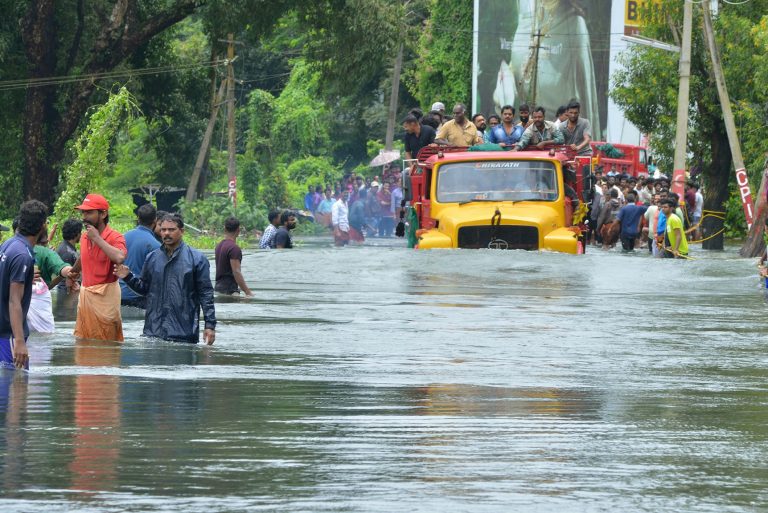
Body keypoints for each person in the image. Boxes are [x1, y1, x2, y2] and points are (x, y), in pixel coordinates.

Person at [115, 213, 216, 344]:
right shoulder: (152, 258)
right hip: (153, 332)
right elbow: (145, 289)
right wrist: (128, 277)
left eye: (171, 229)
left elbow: (206, 294)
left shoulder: (197, 259)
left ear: (182, 231)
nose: (166, 233)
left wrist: (210, 325)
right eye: (163, 230)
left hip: (183, 333)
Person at [70, 194, 126, 342]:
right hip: (86, 298)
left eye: (89, 212)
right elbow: (84, 256)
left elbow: (120, 257)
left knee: (106, 345)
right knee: (83, 343)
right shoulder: (84, 237)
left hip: (106, 301)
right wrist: (73, 272)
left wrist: (97, 238)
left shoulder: (115, 236)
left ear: (103, 214)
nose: (84, 217)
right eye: (83, 212)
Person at [0, 200, 48, 370]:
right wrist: (19, 341)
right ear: (43, 226)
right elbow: (14, 301)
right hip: (9, 333)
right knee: (16, 386)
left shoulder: (9, 244)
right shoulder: (22, 255)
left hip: (4, 331)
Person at [29, 227, 75, 334]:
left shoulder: (9, 249)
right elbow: (62, 268)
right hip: (39, 312)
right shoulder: (46, 253)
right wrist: (68, 273)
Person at [120, 204, 160, 309]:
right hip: (137, 296)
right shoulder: (156, 245)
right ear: (155, 220)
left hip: (118, 293)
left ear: (138, 218)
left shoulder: (123, 237)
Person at [215, 217, 253, 296]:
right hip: (230, 291)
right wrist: (248, 292)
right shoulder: (234, 248)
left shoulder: (219, 246)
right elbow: (236, 272)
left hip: (217, 289)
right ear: (238, 231)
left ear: (225, 229)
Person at [55, 218, 82, 291]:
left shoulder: (65, 247)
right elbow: (65, 279)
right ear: (77, 233)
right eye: (80, 232)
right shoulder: (67, 252)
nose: (81, 234)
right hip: (66, 292)